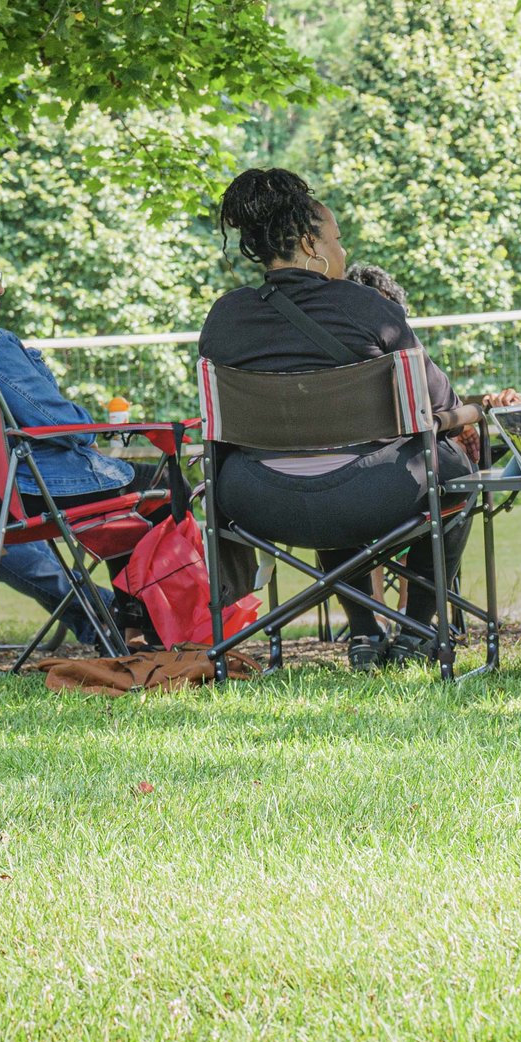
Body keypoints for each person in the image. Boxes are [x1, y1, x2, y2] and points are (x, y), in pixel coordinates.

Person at [195, 171, 484, 672]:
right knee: (450, 469)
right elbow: (435, 404)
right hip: (369, 494)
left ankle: (366, 635)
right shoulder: (367, 307)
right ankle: (418, 630)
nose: (342, 252)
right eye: (336, 240)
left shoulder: (224, 317)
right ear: (310, 244)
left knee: (327, 455)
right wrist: (473, 412)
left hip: (257, 500)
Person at [0, 231, 146, 659]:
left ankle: (124, 630)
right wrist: (90, 426)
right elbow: (60, 424)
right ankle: (143, 636)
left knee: (127, 495)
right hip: (23, 495)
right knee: (154, 490)